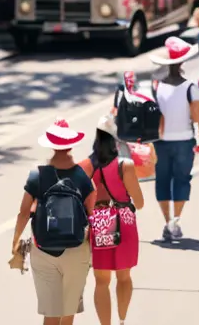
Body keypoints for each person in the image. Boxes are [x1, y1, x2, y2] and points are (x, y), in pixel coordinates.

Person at [12, 119, 95, 325]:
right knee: (67, 313)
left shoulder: (37, 175)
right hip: (76, 249)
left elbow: (23, 213)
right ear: (71, 144)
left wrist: (15, 242)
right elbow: (91, 216)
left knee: (51, 313)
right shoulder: (82, 176)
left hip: (43, 249)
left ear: (50, 145)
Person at [78, 115, 145, 325]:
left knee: (101, 281)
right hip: (123, 220)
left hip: (99, 223)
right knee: (124, 277)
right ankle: (122, 321)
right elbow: (140, 202)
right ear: (116, 139)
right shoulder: (125, 165)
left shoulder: (86, 165)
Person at [150, 37, 199, 240]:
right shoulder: (191, 87)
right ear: (183, 63)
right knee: (181, 180)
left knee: (162, 181)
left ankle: (167, 222)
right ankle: (175, 221)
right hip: (184, 140)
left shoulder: (157, 87)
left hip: (161, 141)